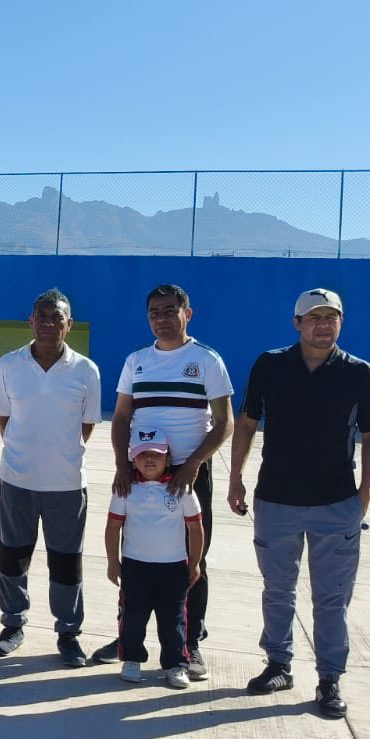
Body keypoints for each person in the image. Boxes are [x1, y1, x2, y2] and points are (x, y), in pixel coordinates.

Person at [227, 288, 370, 719]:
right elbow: (246, 424)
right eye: (314, 317)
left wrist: (364, 495)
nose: (323, 324)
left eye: (331, 317)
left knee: (332, 598)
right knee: (278, 590)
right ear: (296, 324)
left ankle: (330, 677)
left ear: (341, 322)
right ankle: (278, 663)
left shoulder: (359, 373)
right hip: (276, 500)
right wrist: (236, 477)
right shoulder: (270, 366)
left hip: (337, 504)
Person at [95, 284, 232, 676]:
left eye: (170, 310)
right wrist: (123, 465)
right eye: (154, 311)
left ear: (188, 313)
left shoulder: (206, 360)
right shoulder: (136, 361)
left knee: (191, 559)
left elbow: (225, 423)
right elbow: (122, 418)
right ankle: (129, 640)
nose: (162, 318)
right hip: (139, 476)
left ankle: (189, 645)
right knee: (136, 558)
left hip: (188, 477)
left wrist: (191, 466)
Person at [0, 288, 101, 665]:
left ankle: (68, 633)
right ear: (30, 321)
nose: (49, 323)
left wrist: (57, 455)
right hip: (16, 481)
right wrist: (27, 453)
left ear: (69, 324)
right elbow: (5, 420)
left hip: (66, 485)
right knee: (12, 558)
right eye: (43, 316)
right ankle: (13, 624)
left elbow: (86, 427)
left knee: (66, 562)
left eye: (58, 317)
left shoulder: (86, 370)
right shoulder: (8, 365)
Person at [105, 429, 204, 688]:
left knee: (173, 620)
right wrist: (113, 561)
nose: (150, 460)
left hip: (173, 568)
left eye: (156, 455)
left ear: (168, 458)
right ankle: (132, 659)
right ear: (132, 459)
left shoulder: (182, 489)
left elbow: (195, 527)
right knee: (133, 616)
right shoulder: (125, 489)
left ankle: (175, 665)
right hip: (135, 566)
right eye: (142, 455)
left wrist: (194, 562)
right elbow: (113, 527)